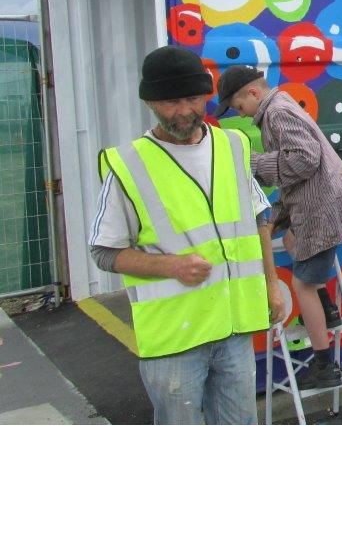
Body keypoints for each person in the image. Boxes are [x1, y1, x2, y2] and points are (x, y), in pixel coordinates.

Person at [89, 46, 287, 425]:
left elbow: (260, 216)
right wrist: (172, 266)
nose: (184, 111)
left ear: (207, 95)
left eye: (193, 98)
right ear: (149, 102)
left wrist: (272, 284)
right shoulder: (127, 164)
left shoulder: (233, 145)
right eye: (170, 102)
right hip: (175, 342)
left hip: (234, 328)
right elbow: (103, 251)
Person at [217, 65, 342, 391]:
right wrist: (279, 218)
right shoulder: (281, 107)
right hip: (320, 208)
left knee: (303, 285)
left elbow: (304, 160)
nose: (242, 115)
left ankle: (323, 363)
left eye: (239, 106)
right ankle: (328, 310)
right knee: (292, 242)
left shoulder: (275, 114)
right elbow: (301, 173)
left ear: (253, 93)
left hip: (321, 212)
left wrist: (255, 162)